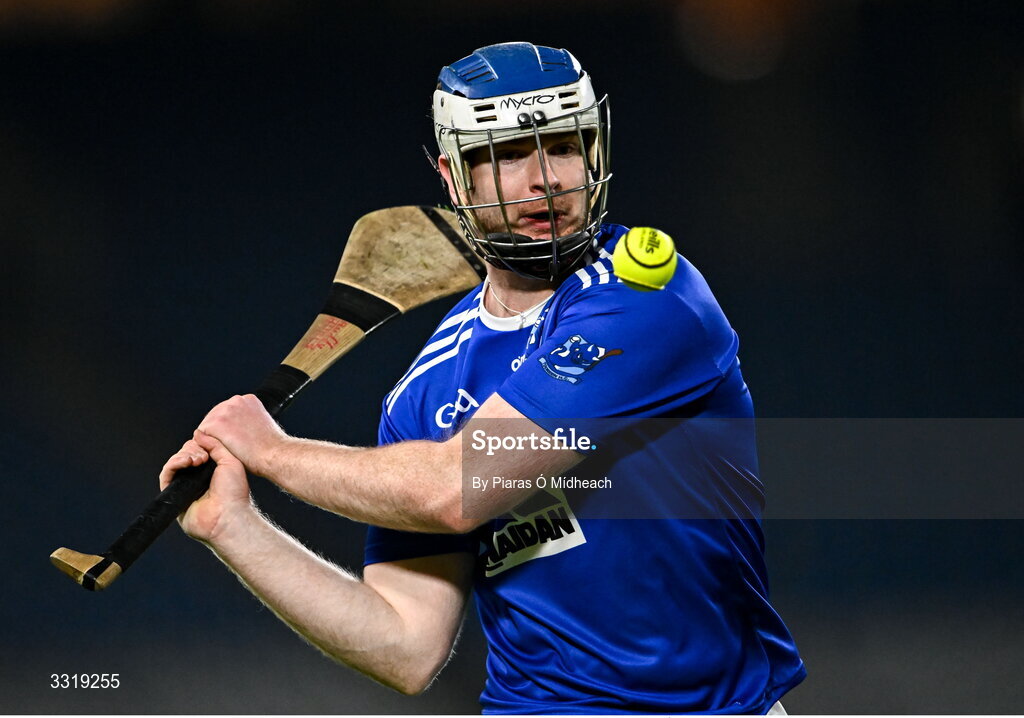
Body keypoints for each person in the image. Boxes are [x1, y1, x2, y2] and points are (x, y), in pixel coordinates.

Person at [160, 42, 806, 713]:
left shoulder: (649, 298)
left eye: (562, 146)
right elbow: (404, 645)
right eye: (506, 155)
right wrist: (234, 527)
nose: (545, 180)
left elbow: (456, 488)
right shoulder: (425, 392)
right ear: (453, 177)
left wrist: (272, 452)